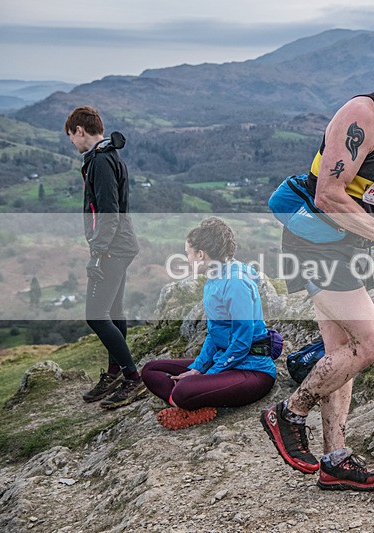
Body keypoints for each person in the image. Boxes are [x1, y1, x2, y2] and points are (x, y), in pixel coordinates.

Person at [261, 26, 374, 491]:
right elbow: (328, 195)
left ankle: (335, 458)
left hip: (349, 242)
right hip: (317, 241)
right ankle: (288, 412)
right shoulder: (361, 113)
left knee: (340, 352)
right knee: (371, 343)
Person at [142, 217, 280, 430]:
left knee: (183, 390)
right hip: (226, 360)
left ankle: (189, 402)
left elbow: (242, 342)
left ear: (201, 254)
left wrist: (211, 372)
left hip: (253, 371)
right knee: (151, 370)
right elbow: (214, 333)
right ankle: (194, 404)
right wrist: (198, 368)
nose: (187, 258)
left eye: (188, 253)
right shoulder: (214, 279)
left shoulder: (236, 284)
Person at [66, 106, 143, 409]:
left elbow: (108, 212)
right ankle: (115, 373)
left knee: (96, 315)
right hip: (120, 244)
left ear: (80, 131)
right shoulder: (108, 155)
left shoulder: (100, 161)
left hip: (113, 248)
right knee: (113, 309)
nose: (71, 142)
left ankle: (133, 378)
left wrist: (97, 253)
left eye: (71, 136)